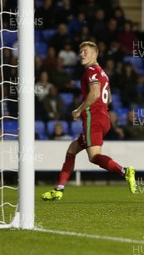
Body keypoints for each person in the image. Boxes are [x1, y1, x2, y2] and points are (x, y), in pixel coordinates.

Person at [41, 41, 137, 201]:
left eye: (85, 51)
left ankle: (125, 171)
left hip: (94, 117)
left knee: (94, 157)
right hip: (103, 117)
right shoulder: (103, 73)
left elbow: (95, 93)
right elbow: (109, 98)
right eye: (80, 52)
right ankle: (59, 189)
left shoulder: (91, 70)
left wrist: (79, 109)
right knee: (72, 150)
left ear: (95, 54)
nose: (82, 54)